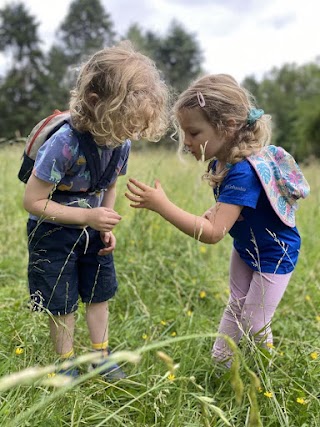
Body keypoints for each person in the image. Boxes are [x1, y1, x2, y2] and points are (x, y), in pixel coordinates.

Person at [125, 74, 310, 368]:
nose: (186, 142)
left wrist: (162, 206)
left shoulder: (242, 172)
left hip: (275, 254)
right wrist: (213, 212)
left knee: (254, 320)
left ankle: (265, 373)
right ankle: (220, 365)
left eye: (194, 133)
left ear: (228, 126)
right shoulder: (222, 162)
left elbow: (212, 234)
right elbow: (230, 209)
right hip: (247, 247)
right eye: (184, 133)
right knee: (237, 306)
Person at [23, 41, 169, 378]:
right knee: (62, 301)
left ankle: (99, 355)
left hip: (92, 232)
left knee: (99, 293)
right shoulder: (63, 145)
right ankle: (66, 362)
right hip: (53, 232)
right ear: (94, 103)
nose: (128, 134)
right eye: (124, 123)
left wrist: (103, 225)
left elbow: (110, 183)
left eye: (134, 128)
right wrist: (88, 216)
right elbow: (33, 202)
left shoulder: (120, 143)